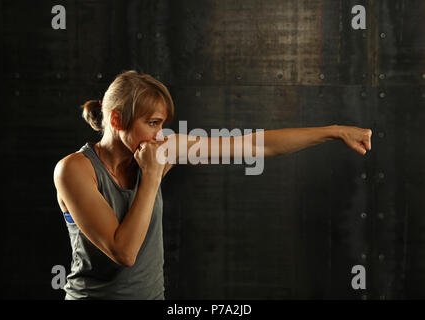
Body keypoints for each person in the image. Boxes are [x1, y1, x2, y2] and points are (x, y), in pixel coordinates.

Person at [53, 70, 372, 300]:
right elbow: (124, 252)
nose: (159, 135)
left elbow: (254, 146)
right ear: (116, 120)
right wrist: (151, 176)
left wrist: (333, 131)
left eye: (162, 125)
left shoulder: (160, 149)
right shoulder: (75, 170)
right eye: (152, 124)